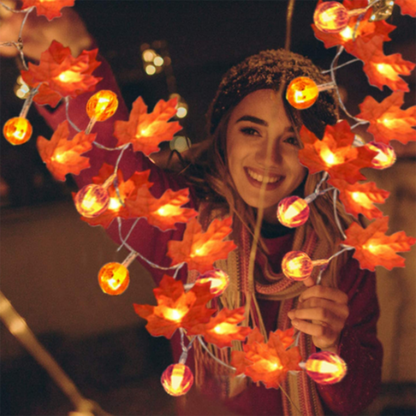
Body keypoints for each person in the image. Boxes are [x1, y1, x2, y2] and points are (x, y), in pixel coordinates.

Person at [0, 5, 382, 416]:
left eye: (292, 139)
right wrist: (73, 59)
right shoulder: (183, 227)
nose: (268, 156)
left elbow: (357, 400)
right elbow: (109, 166)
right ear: (223, 136)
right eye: (250, 130)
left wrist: (333, 343)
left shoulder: (341, 255)